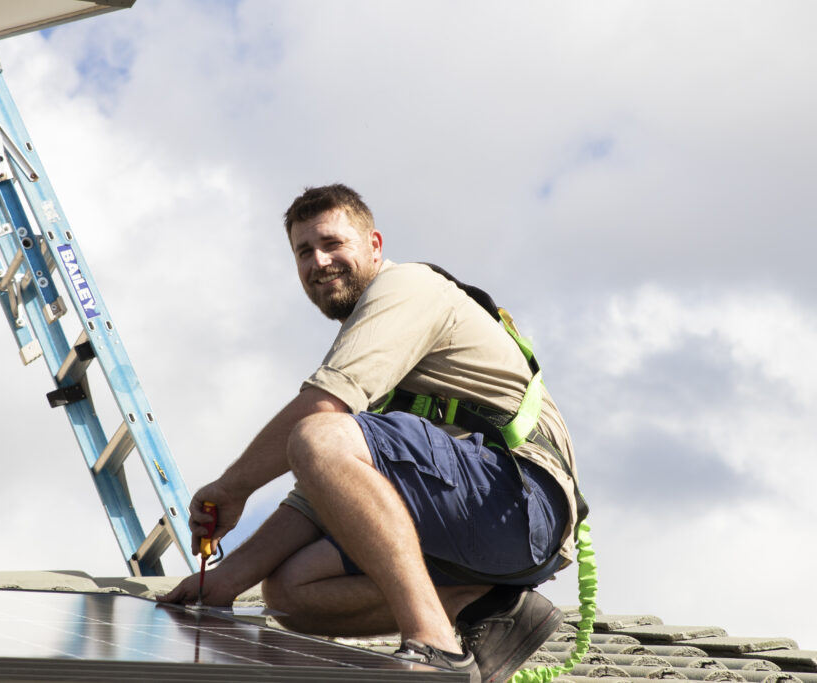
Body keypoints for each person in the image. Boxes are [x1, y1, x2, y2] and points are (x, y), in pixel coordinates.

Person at [160, 184, 581, 682]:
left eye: (332, 243)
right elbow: (323, 494)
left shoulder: (406, 288)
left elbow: (321, 414)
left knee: (317, 434)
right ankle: (486, 605)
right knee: (291, 593)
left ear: (374, 245)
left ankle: (437, 647)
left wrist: (231, 490)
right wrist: (225, 582)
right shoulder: (370, 338)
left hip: (518, 500)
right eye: (304, 252)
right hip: (482, 527)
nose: (319, 262)